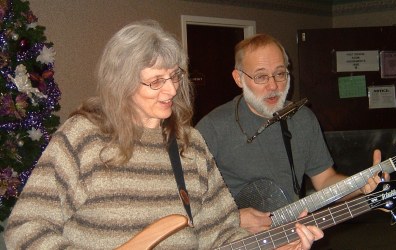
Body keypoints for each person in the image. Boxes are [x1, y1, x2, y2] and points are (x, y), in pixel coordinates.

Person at [4, 21, 323, 250]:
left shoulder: (189, 144)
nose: (171, 89)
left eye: (174, 76)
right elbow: (25, 229)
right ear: (121, 83)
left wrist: (273, 247)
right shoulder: (84, 137)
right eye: (156, 81)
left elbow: (222, 236)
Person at [196, 33, 387, 234]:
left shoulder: (303, 119)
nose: (273, 86)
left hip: (292, 238)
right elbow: (182, 204)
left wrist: (362, 185)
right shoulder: (212, 128)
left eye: (280, 74)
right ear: (239, 78)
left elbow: (324, 181)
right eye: (261, 76)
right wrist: (233, 219)